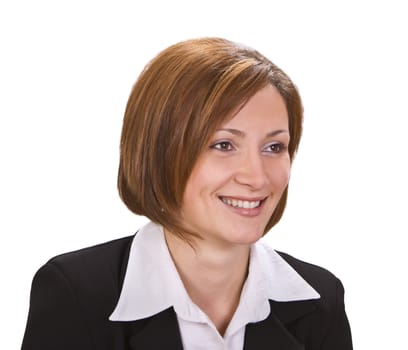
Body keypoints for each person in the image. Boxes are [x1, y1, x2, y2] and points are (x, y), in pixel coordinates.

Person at [21, 37, 353, 350]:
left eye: (274, 146)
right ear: (160, 151)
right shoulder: (76, 294)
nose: (256, 177)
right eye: (224, 145)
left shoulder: (320, 300)